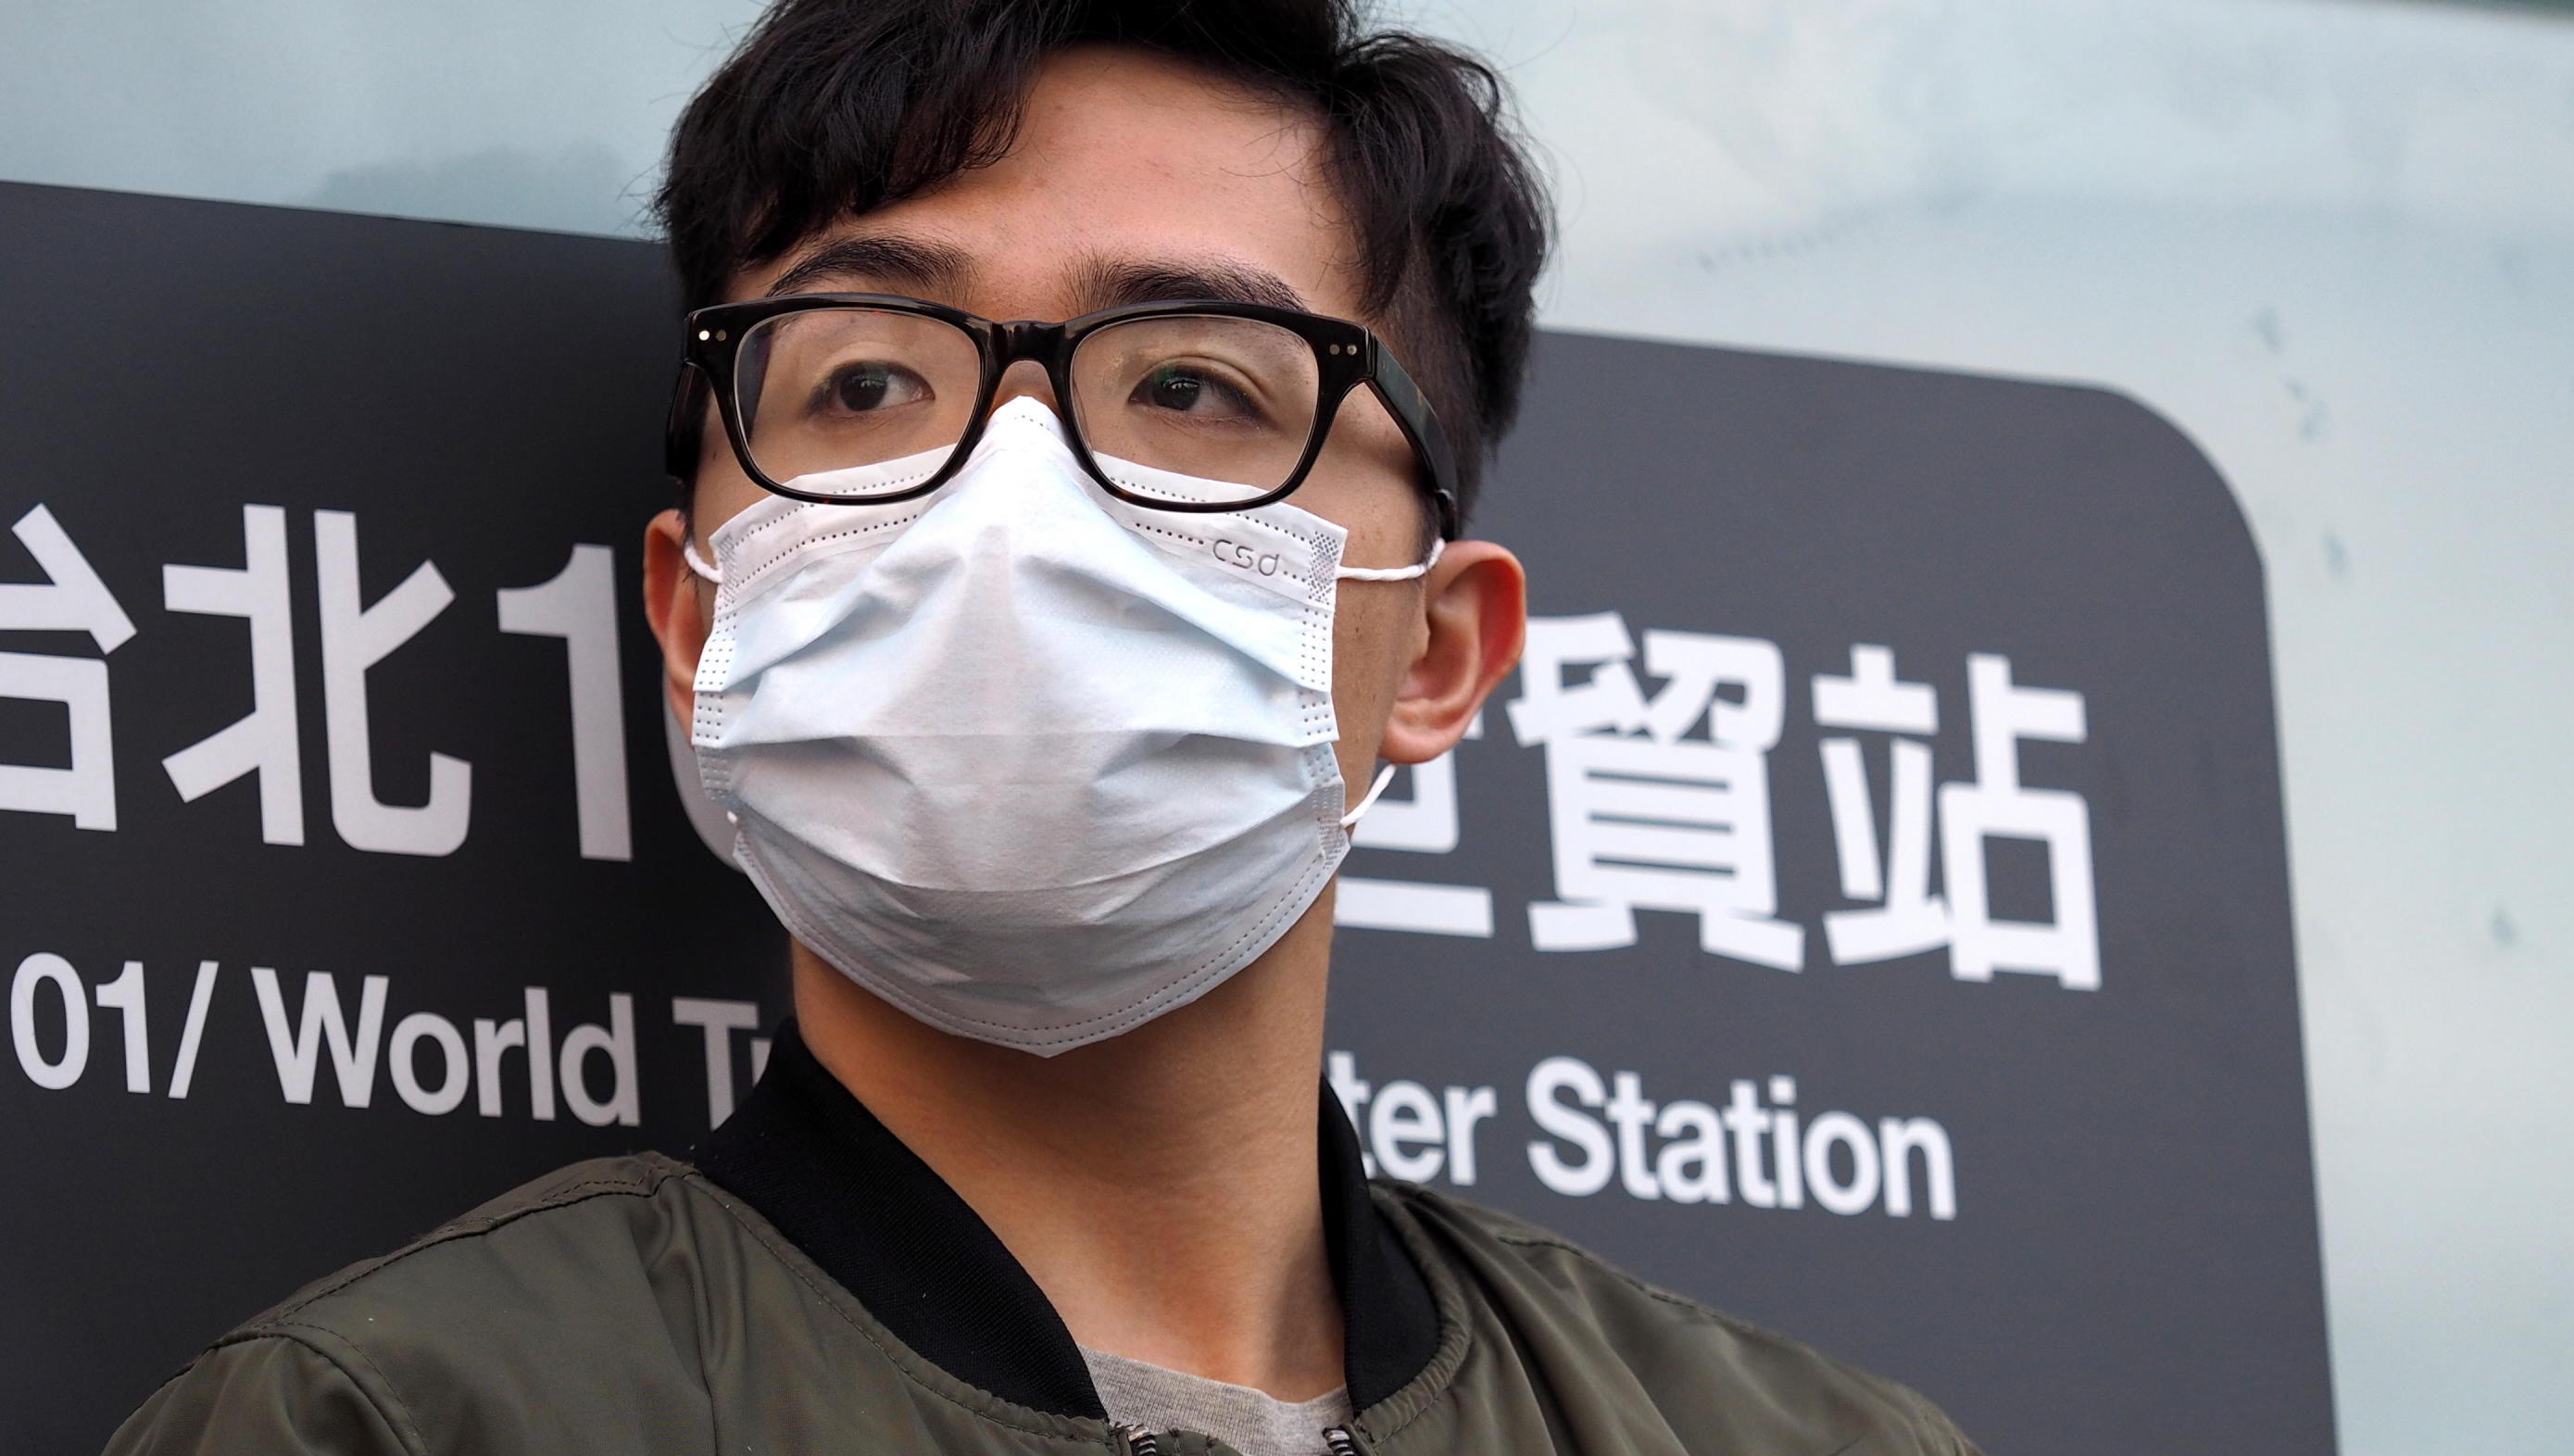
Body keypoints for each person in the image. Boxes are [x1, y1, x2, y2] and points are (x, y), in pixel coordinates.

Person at [107, 2, 1978, 1452]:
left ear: (1435, 651)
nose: (1006, 497)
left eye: (1189, 383)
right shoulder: (405, 1422)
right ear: (695, 619)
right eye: (865, 379)